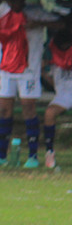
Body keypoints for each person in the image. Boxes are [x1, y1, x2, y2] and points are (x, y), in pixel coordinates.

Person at [0, 0, 59, 168]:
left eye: (16, 1)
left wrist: (38, 24)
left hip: (29, 70)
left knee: (28, 109)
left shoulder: (35, 12)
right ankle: (1, 155)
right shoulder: (2, 10)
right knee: (4, 109)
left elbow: (61, 22)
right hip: (7, 68)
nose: (13, 5)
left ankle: (33, 156)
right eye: (10, 1)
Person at [43, 22, 72, 168]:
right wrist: (42, 72)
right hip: (63, 95)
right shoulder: (54, 59)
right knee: (49, 113)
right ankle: (49, 151)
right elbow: (55, 84)